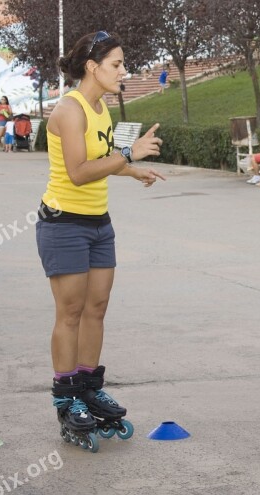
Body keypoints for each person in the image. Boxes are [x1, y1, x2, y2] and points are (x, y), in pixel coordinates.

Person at [38, 30, 165, 452]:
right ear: (92, 67)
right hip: (64, 224)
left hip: (97, 222)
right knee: (70, 311)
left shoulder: (100, 109)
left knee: (97, 308)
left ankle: (89, 387)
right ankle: (65, 396)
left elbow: (102, 161)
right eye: (117, 64)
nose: (123, 72)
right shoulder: (69, 111)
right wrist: (131, 156)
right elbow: (77, 171)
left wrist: (133, 171)